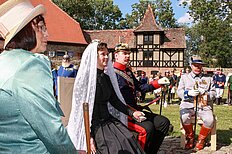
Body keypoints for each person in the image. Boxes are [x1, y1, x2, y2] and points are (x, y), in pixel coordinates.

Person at [0, 0, 76, 153]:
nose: (47, 34)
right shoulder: (29, 66)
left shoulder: (4, 61)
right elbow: (52, 131)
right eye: (41, 28)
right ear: (25, 31)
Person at [67, 41, 145, 153]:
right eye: (102, 54)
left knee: (128, 139)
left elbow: (114, 100)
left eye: (107, 54)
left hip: (108, 121)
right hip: (93, 126)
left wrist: (132, 113)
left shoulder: (106, 78)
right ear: (94, 56)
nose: (106, 57)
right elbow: (81, 111)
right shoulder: (86, 81)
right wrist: (88, 137)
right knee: (114, 148)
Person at [113, 43, 170, 154]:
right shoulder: (112, 73)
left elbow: (141, 88)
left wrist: (158, 83)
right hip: (123, 112)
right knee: (147, 128)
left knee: (163, 122)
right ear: (116, 56)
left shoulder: (127, 72)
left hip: (136, 109)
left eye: (128, 54)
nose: (127, 56)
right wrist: (131, 112)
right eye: (124, 54)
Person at [177, 55, 216, 151]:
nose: (198, 68)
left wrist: (206, 94)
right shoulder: (184, 77)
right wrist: (187, 93)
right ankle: (190, 138)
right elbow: (179, 92)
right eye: (195, 65)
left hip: (203, 105)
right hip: (188, 104)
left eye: (200, 65)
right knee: (184, 117)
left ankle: (201, 140)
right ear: (191, 66)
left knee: (209, 120)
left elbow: (214, 93)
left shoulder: (208, 78)